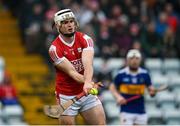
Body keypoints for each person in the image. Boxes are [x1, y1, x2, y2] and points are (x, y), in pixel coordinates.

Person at [48, 9, 106, 125]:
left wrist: (87, 83)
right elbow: (72, 72)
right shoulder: (54, 49)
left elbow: (88, 64)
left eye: (71, 21)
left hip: (86, 92)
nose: (70, 25)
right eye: (65, 22)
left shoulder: (85, 39)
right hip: (66, 95)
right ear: (58, 26)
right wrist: (88, 82)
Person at [110, 49, 156, 125]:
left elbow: (150, 88)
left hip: (141, 111)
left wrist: (152, 92)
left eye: (137, 58)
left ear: (140, 60)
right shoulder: (121, 74)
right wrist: (118, 97)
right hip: (126, 110)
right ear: (127, 60)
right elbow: (112, 87)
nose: (134, 61)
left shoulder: (145, 74)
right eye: (131, 58)